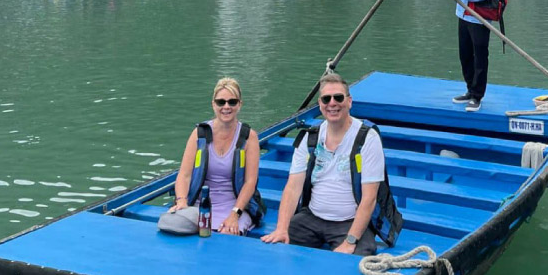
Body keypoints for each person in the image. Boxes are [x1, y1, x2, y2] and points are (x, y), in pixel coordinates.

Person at [261, 73, 402, 256]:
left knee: (358, 257)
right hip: (312, 217)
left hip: (349, 221)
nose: (332, 103)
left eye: (338, 97)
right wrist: (281, 228)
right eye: (326, 99)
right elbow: (293, 187)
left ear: (349, 101)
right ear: (320, 104)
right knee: (275, 250)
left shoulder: (367, 138)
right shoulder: (309, 138)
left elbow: (369, 198)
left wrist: (350, 241)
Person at [160, 77, 264, 236]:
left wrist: (234, 215)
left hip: (234, 206)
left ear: (239, 104)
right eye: (221, 102)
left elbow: (250, 182)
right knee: (172, 224)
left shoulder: (249, 137)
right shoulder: (199, 133)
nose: (226, 107)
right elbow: (185, 174)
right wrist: (182, 201)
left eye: (232, 102)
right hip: (201, 205)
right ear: (213, 104)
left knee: (227, 235)